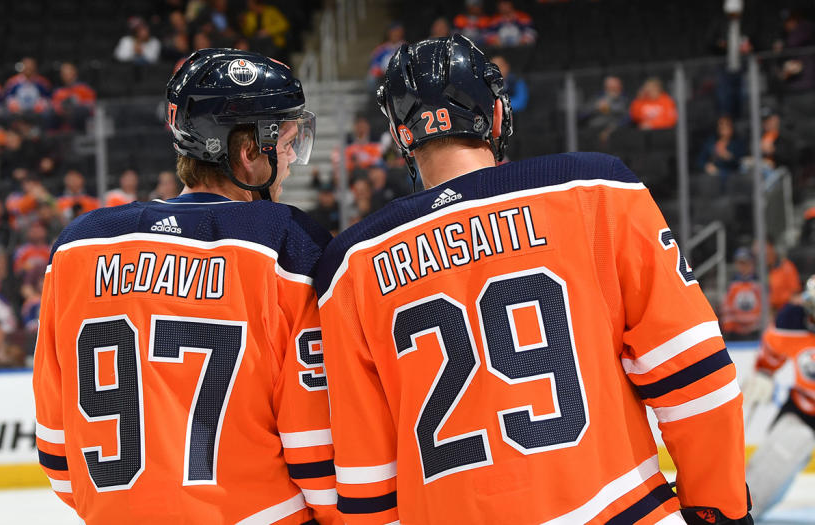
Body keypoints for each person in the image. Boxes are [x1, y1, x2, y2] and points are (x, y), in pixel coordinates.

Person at [315, 34, 751, 524]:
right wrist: (720, 510)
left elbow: (366, 477)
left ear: (402, 135)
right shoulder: (597, 189)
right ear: (497, 115)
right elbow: (693, 374)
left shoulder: (351, 263)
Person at [33, 48, 337, 524]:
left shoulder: (77, 248)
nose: (293, 159)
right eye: (287, 142)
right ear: (248, 151)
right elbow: (316, 451)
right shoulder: (285, 244)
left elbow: (57, 456)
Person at [742, 275, 815, 519]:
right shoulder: (792, 320)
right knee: (766, 476)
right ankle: (742, 513)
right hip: (805, 409)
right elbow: (771, 353)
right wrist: (763, 374)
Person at [722, 247, 763, 340]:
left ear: (752, 264)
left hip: (756, 332)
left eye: (746, 263)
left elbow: (765, 308)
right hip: (736, 333)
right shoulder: (732, 285)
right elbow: (727, 309)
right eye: (740, 263)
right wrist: (729, 329)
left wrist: (761, 327)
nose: (743, 267)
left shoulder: (759, 284)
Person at [580, 75, 630, 145]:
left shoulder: (625, 99)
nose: (612, 88)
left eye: (614, 86)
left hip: (614, 131)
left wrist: (609, 108)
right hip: (594, 130)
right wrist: (596, 108)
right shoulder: (597, 98)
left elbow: (627, 117)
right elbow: (582, 115)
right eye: (609, 86)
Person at [696, 116, 745, 186]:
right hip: (712, 177)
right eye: (721, 124)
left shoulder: (738, 143)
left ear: (732, 127)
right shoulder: (711, 142)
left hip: (731, 176)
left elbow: (742, 163)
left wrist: (729, 157)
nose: (723, 127)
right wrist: (706, 166)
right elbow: (700, 160)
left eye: (726, 125)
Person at [52, 62, 96, 131]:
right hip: (63, 128)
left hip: (82, 127)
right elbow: (55, 107)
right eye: (64, 73)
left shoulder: (85, 89)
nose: (66, 75)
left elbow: (91, 108)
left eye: (68, 72)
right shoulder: (58, 92)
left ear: (74, 72)